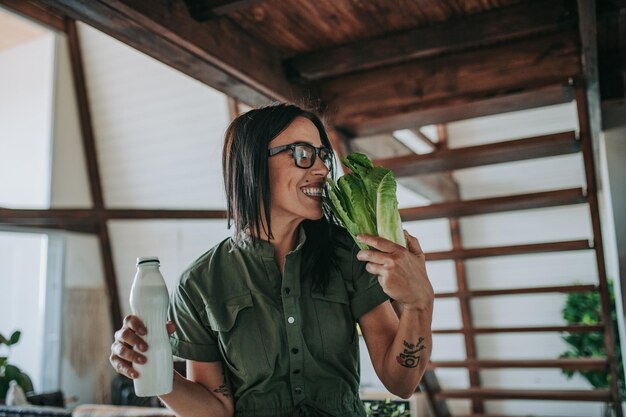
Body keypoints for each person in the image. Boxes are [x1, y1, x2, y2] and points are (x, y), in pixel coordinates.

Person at [109, 103, 434, 417]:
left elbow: (401, 382)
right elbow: (215, 411)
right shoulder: (199, 283)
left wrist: (419, 303)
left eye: (322, 155)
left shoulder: (349, 254)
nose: (321, 168)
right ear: (252, 163)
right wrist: (156, 373)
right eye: (302, 154)